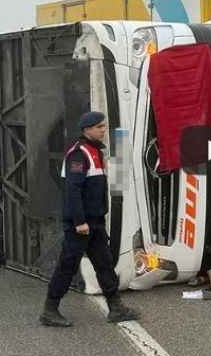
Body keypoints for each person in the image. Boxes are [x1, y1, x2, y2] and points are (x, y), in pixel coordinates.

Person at [40, 111, 139, 327]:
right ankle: (50, 310)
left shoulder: (95, 152)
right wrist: (79, 222)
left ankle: (116, 308)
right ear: (87, 130)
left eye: (104, 126)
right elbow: (72, 190)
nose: (103, 130)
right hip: (81, 225)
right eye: (99, 127)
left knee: (104, 264)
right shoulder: (78, 155)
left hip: (94, 222)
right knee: (67, 265)